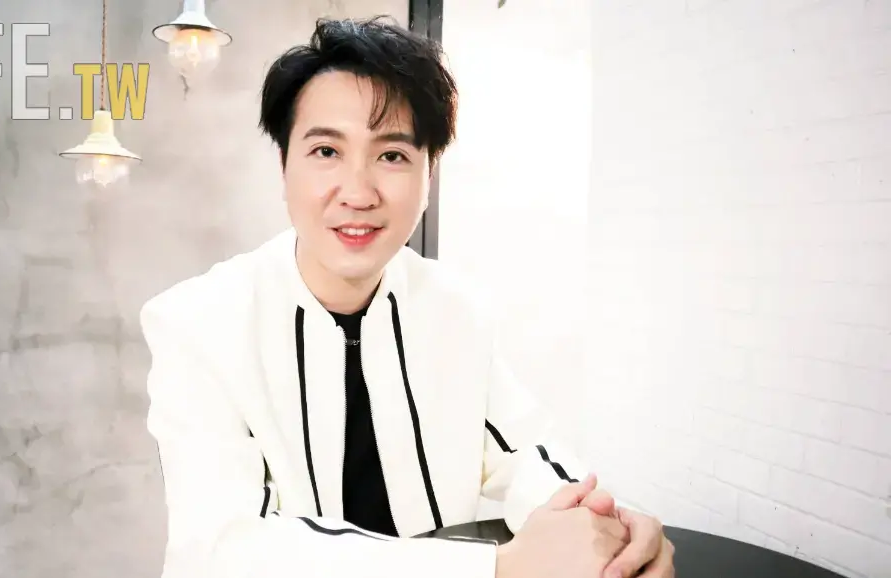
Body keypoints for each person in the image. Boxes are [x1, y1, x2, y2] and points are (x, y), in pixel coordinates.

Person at [140, 15, 675, 578]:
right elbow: (226, 547)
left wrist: (608, 523)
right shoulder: (197, 323)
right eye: (326, 151)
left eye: (392, 156)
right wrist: (496, 568)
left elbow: (527, 455)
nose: (358, 193)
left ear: (428, 175)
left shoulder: (455, 310)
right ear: (284, 165)